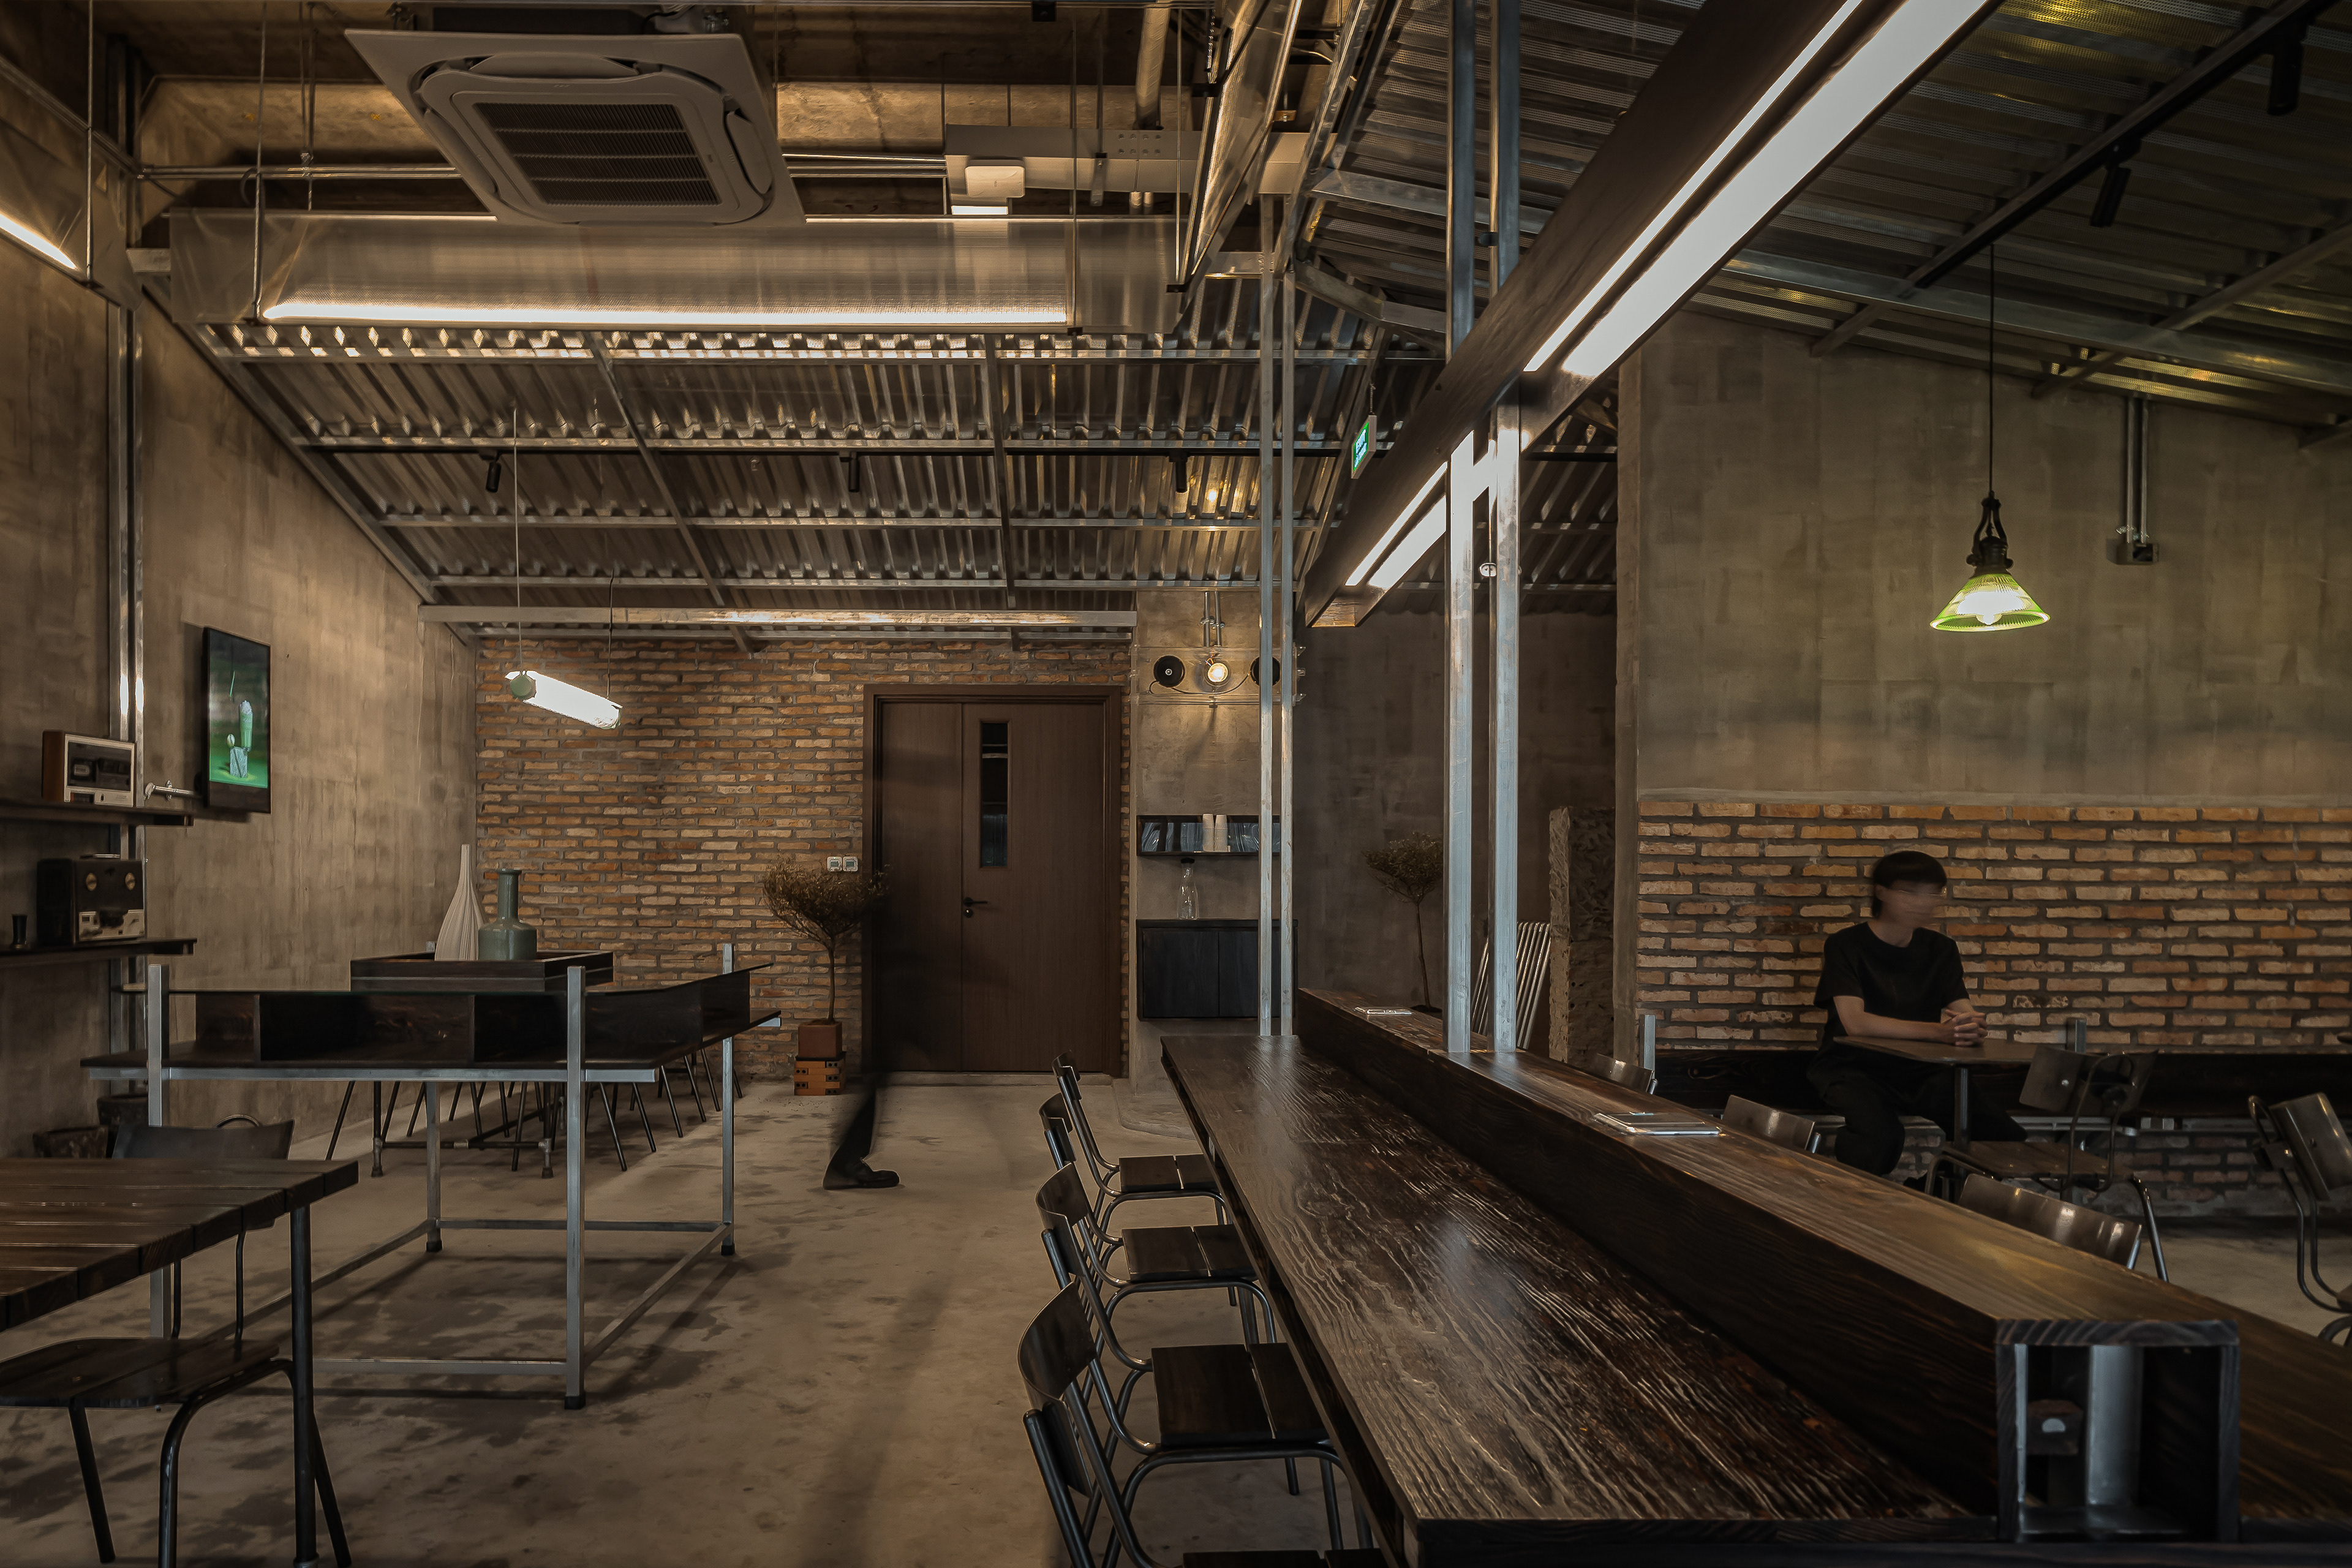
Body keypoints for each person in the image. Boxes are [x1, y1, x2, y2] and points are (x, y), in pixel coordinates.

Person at [1809, 850, 2025, 1178]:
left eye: (1932, 894)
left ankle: (1930, 1195)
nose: (1923, 902)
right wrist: (1938, 1032)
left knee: (2000, 1134)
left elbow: (1961, 1007)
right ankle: (1853, 1203)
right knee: (1879, 1137)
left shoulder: (1940, 949)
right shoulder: (1846, 945)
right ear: (1881, 892)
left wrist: (1972, 1025)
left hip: (1918, 1071)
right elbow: (1855, 1023)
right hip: (1852, 1068)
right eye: (1910, 892)